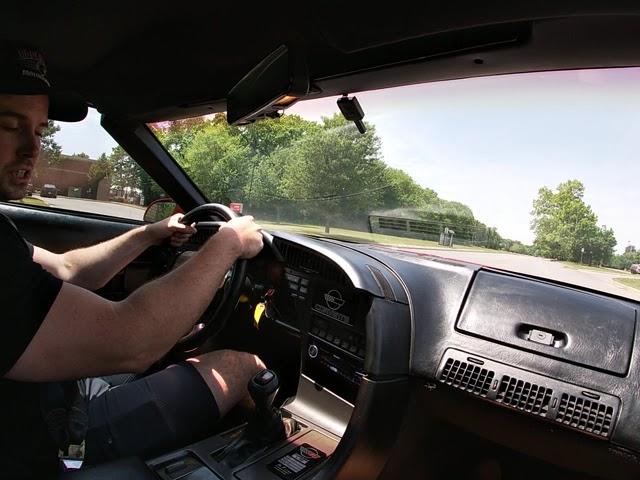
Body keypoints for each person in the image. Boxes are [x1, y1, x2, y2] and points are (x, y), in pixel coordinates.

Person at [0, 44, 266, 478]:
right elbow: (135, 343)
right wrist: (228, 244)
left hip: (53, 397)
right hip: (48, 442)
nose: (33, 148)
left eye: (39, 130)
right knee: (242, 365)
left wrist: (148, 234)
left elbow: (68, 271)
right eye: (11, 126)